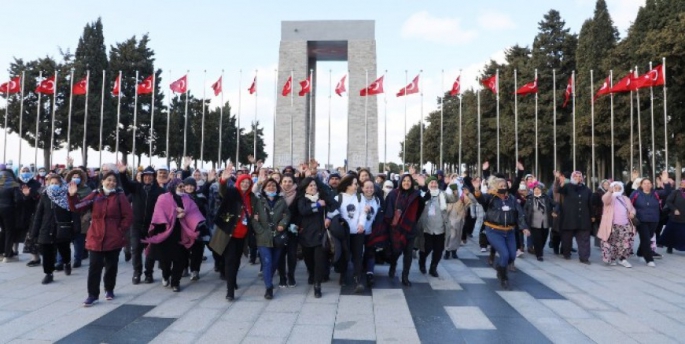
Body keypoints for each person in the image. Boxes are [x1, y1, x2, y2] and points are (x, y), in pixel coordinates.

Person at [68, 171, 133, 307]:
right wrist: (72, 196)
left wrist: (120, 229)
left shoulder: (120, 196)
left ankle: (109, 289)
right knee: (94, 267)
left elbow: (128, 216)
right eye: (108, 180)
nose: (111, 183)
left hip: (113, 237)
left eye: (114, 181)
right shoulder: (95, 195)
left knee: (111, 266)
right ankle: (92, 295)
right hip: (96, 236)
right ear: (102, 181)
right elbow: (78, 207)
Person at [144, 178, 203, 292]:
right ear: (173, 186)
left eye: (183, 186)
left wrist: (184, 213)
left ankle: (176, 282)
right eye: (180, 186)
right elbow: (159, 213)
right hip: (166, 232)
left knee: (180, 259)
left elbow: (194, 212)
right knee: (165, 260)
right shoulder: (163, 198)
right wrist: (175, 213)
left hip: (182, 233)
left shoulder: (187, 198)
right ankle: (166, 275)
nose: (182, 188)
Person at [476, 175, 529, 289]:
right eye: (501, 186)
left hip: (509, 231)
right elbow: (480, 199)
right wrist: (477, 190)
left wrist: (524, 227)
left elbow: (519, 213)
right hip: (494, 230)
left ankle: (500, 267)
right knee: (504, 254)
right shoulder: (491, 197)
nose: (503, 187)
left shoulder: (511, 199)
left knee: (512, 255)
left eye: (505, 185)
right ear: (495, 187)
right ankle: (503, 277)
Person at [209, 167, 252, 302]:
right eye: (243, 182)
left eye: (248, 182)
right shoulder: (233, 192)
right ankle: (230, 290)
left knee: (237, 260)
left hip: (243, 235)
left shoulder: (251, 197)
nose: (245, 184)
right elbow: (223, 192)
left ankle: (232, 280)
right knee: (230, 260)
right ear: (238, 182)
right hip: (229, 233)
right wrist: (223, 180)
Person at [119, 165, 165, 284]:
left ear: (154, 177)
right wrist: (123, 174)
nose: (148, 178)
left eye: (150, 176)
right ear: (142, 177)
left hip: (152, 226)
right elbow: (125, 185)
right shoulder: (136, 187)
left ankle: (148, 273)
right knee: (136, 249)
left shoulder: (159, 191)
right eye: (146, 176)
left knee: (150, 251)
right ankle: (137, 272)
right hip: (136, 225)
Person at [31, 174, 77, 284]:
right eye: (52, 183)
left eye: (56, 183)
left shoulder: (67, 195)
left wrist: (75, 228)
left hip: (62, 228)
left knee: (64, 249)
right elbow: (39, 214)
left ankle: (67, 262)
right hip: (46, 228)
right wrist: (34, 231)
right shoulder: (45, 195)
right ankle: (48, 273)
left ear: (61, 184)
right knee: (47, 251)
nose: (54, 185)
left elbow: (74, 212)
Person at [252, 178, 290, 300]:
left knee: (275, 261)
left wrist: (282, 225)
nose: (271, 187)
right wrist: (260, 231)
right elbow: (253, 218)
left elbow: (287, 215)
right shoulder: (259, 201)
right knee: (267, 261)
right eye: (268, 185)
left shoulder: (281, 201)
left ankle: (268, 276)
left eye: (273, 185)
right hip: (263, 237)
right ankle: (269, 287)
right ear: (264, 188)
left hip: (278, 236)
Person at [383, 174, 425, 287]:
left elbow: (422, 205)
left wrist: (423, 186)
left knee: (408, 254)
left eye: (409, 181)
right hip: (396, 229)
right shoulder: (393, 194)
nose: (406, 183)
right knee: (396, 251)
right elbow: (388, 210)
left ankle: (405, 276)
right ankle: (393, 265)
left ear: (412, 183)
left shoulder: (416, 195)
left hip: (410, 228)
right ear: (400, 182)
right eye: (404, 180)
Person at [630, 171, 672, 267]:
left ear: (652, 185)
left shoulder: (656, 193)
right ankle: (649, 259)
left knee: (647, 238)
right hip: (641, 220)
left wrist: (665, 181)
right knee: (646, 239)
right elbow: (629, 205)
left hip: (654, 219)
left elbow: (667, 192)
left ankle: (640, 253)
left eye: (649, 183)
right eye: (644, 183)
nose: (647, 185)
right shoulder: (636, 194)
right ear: (641, 185)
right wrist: (630, 214)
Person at [297, 177, 329, 298]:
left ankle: (317, 285)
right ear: (305, 187)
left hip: (320, 234)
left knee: (319, 261)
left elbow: (330, 209)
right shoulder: (302, 199)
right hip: (306, 234)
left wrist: (329, 218)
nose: (313, 187)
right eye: (310, 186)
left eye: (314, 185)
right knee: (308, 259)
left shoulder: (323, 198)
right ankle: (311, 274)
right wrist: (317, 205)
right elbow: (304, 211)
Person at [418, 176, 456, 277]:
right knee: (427, 248)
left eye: (435, 183)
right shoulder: (423, 194)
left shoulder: (442, 194)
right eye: (431, 183)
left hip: (440, 228)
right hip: (426, 228)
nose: (434, 185)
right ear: (428, 184)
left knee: (438, 250)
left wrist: (453, 186)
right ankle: (422, 262)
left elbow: (454, 198)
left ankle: (433, 268)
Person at [555, 171, 593, 264]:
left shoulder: (587, 190)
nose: (578, 177)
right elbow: (559, 190)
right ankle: (566, 253)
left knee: (584, 239)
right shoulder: (567, 187)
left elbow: (590, 204)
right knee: (567, 238)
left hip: (583, 219)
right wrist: (559, 181)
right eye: (575, 176)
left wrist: (592, 216)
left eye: (579, 176)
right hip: (569, 218)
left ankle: (584, 258)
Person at [597, 182, 636, 267]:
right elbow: (605, 199)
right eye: (615, 188)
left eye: (619, 188)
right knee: (611, 243)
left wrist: (632, 213)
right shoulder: (609, 197)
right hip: (611, 225)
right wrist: (609, 192)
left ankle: (623, 259)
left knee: (625, 243)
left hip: (625, 225)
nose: (617, 189)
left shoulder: (625, 198)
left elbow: (632, 208)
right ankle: (611, 259)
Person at [277, 174, 299, 288]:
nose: (287, 183)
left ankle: (291, 275)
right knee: (280, 254)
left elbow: (300, 212)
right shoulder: (276, 194)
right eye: (284, 181)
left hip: (293, 229)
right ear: (281, 182)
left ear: (293, 183)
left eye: (290, 181)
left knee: (292, 254)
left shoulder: (298, 194)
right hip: (279, 228)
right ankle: (282, 277)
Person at [17, 167, 41, 266]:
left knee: (32, 235)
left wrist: (29, 195)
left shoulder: (36, 184)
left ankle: (35, 257)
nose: (26, 173)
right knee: (23, 235)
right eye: (23, 171)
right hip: (20, 213)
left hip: (34, 213)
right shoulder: (16, 183)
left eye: (27, 171)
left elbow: (38, 197)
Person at [524, 184, 555, 261]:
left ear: (541, 190)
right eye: (535, 190)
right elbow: (525, 210)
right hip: (534, 222)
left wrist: (555, 211)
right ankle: (539, 254)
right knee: (537, 238)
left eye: (538, 189)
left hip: (545, 222)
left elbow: (555, 204)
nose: (537, 191)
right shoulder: (530, 199)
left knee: (544, 237)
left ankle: (540, 249)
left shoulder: (546, 198)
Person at [360, 179, 381, 287]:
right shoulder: (358, 199)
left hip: (371, 232)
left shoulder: (377, 200)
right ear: (362, 188)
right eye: (367, 187)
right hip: (359, 231)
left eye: (371, 187)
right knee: (358, 252)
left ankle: (370, 273)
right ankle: (357, 273)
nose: (369, 189)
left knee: (370, 252)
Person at [659, 178, 685, 253]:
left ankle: (682, 247)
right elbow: (669, 201)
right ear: (681, 184)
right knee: (672, 233)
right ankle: (670, 246)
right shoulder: (676, 192)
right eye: (683, 183)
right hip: (675, 217)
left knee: (683, 234)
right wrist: (674, 209)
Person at [0, 167, 20, 262]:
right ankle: (7, 255)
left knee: (2, 231)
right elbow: (18, 199)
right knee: (9, 231)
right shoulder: (13, 184)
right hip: (9, 210)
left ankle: (1, 252)